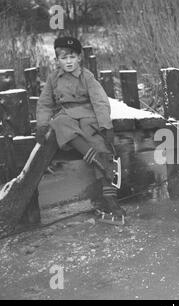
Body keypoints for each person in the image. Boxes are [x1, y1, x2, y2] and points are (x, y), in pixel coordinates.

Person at [36, 36, 126, 225]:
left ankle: (111, 201)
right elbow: (44, 104)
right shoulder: (53, 78)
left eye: (71, 57)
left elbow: (100, 101)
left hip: (87, 116)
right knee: (59, 122)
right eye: (63, 58)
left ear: (79, 58)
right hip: (66, 116)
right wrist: (42, 125)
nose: (68, 62)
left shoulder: (87, 77)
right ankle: (94, 158)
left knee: (102, 148)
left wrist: (105, 125)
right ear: (57, 60)